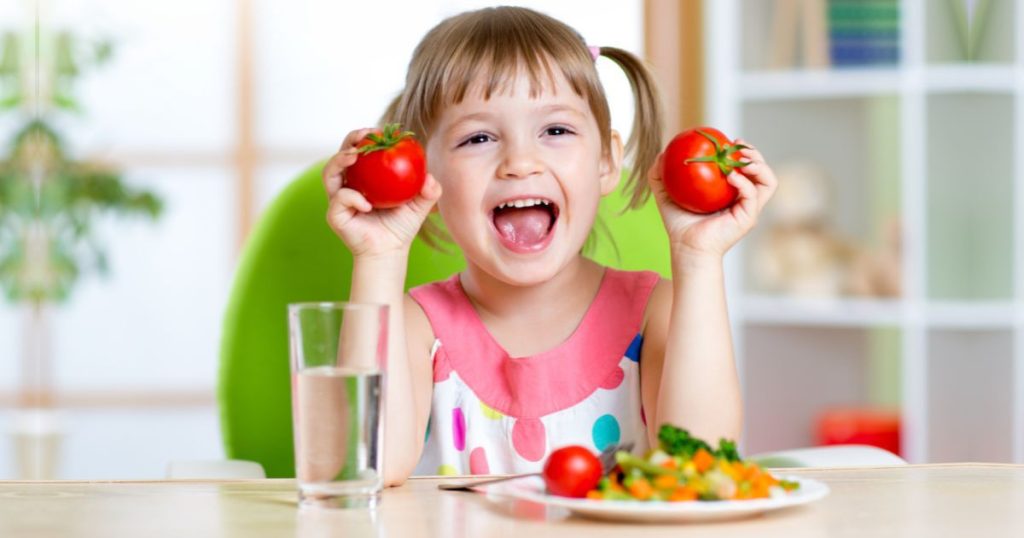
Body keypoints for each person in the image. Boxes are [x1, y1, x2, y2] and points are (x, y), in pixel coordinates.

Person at [321, 6, 778, 486]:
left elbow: (698, 460)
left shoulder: (658, 311)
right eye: (477, 137)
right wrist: (379, 257)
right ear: (425, 177)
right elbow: (361, 468)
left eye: (555, 131)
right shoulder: (417, 328)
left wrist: (699, 259)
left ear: (606, 161)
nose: (520, 162)